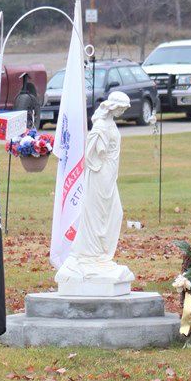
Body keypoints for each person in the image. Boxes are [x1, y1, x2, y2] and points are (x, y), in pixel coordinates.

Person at [55, 91, 135, 286]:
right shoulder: (100, 127)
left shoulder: (108, 124)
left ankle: (99, 254)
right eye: (122, 108)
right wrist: (102, 160)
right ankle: (90, 254)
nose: (123, 112)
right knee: (100, 213)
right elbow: (93, 154)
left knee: (113, 213)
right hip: (101, 175)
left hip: (108, 174)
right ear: (113, 106)